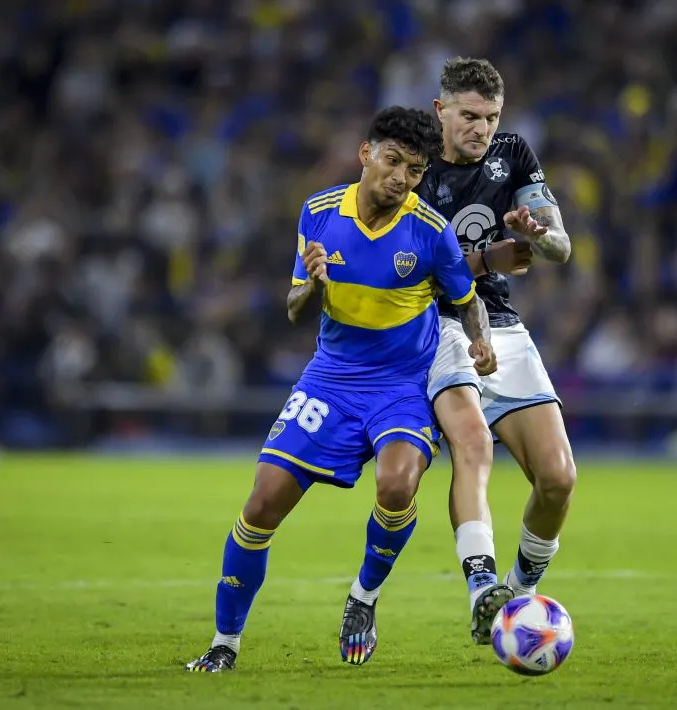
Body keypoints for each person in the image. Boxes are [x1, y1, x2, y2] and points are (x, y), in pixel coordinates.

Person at [184, 106, 496, 672]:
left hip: (401, 385)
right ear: (366, 154)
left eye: (415, 170)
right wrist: (314, 282)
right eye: (393, 161)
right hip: (331, 378)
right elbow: (294, 306)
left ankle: (363, 597)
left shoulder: (431, 230)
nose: (401, 177)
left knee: (398, 485)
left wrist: (482, 342)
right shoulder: (320, 213)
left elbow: (466, 297)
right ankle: (224, 644)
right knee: (260, 505)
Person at [414, 57, 577, 645]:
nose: (481, 128)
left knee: (558, 479)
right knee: (473, 449)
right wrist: (485, 260)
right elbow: (402, 273)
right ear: (442, 111)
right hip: (432, 326)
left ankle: (520, 594)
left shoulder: (515, 153)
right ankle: (483, 588)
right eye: (469, 116)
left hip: (501, 324)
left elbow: (561, 248)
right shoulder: (413, 164)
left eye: (491, 117)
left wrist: (537, 233)